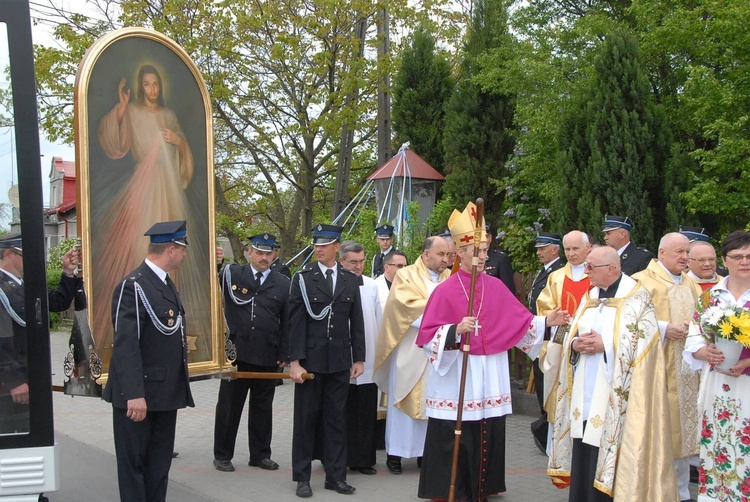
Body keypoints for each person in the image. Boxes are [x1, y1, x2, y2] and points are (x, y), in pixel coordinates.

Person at [415, 202, 570, 502]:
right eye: (478, 252)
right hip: (458, 371)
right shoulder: (444, 291)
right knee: (454, 431)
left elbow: (520, 324)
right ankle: (451, 489)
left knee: (487, 429)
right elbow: (426, 337)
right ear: (460, 253)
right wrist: (454, 331)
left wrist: (545, 322)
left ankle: (483, 486)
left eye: (486, 251)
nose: (484, 257)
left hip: (491, 372)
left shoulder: (496, 286)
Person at [94, 64, 210, 364]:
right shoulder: (131, 111)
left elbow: (184, 152)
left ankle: (170, 323)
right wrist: (120, 109)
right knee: (139, 242)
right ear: (140, 86)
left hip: (168, 184)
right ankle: (138, 314)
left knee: (174, 248)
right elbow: (115, 144)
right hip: (142, 185)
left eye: (155, 83)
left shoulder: (169, 115)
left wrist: (179, 141)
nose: (152, 89)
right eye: (146, 84)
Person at [547, 246, 676, 501]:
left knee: (608, 451)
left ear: (612, 269)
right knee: (584, 450)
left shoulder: (637, 298)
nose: (586, 271)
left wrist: (605, 344)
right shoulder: (590, 296)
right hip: (585, 390)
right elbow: (574, 330)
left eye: (591, 267)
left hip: (617, 397)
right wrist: (575, 344)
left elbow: (645, 345)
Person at [103, 221, 194, 502]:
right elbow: (126, 345)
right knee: (134, 467)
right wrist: (134, 394)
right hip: (139, 396)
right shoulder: (133, 286)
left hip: (165, 394)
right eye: (182, 250)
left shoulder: (164, 283)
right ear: (171, 249)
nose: (184, 255)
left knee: (159, 465)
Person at [287, 224, 365, 498]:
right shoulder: (303, 278)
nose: (318, 249)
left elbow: (356, 321)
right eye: (316, 244)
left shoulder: (349, 278)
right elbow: (295, 323)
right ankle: (302, 477)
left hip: (340, 361)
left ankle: (335, 476)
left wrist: (359, 358)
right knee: (306, 420)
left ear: (336, 247)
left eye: (324, 244)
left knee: (336, 420)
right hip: (311, 362)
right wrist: (294, 362)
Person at [372, 235, 452, 474]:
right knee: (403, 401)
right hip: (411, 349)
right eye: (441, 254)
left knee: (433, 401)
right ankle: (396, 454)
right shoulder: (406, 275)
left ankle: (424, 454)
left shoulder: (451, 277)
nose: (445, 260)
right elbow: (404, 307)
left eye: (449, 255)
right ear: (426, 254)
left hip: (439, 352)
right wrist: (443, 312)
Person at [633, 232, 701, 502]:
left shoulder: (690, 283)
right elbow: (631, 321)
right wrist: (663, 329)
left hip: (687, 371)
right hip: (658, 370)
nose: (685, 258)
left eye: (687, 252)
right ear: (662, 253)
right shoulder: (642, 281)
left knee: (683, 433)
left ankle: (683, 492)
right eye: (679, 252)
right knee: (663, 430)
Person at [212, 234, 289, 473]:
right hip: (235, 353)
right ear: (249, 252)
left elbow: (288, 321)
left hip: (267, 353)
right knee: (229, 406)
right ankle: (222, 455)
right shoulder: (232, 274)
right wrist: (215, 262)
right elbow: (210, 283)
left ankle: (260, 454)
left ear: (274, 254)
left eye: (268, 253)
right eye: (259, 252)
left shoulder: (283, 282)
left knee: (263, 407)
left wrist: (286, 352)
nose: (264, 257)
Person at [684, 230, 750, 501]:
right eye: (737, 256)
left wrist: (746, 360)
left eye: (749, 256)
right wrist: (703, 352)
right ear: (725, 259)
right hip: (718, 384)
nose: (744, 261)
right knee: (718, 442)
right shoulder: (710, 297)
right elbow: (694, 333)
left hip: (747, 384)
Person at [0, 234, 82, 434]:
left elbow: (58, 302)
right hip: (10, 381)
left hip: (30, 373)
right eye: (25, 255)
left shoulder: (24, 284)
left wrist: (67, 272)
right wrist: (14, 380)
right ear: (9, 254)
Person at [533, 230, 592, 454]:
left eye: (576, 248)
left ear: (588, 248)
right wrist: (557, 318)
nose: (571, 253)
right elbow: (545, 305)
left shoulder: (594, 274)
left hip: (587, 338)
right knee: (557, 387)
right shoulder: (556, 277)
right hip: (561, 336)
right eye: (568, 249)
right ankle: (556, 446)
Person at [336, 241, 382, 475]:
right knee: (338, 411)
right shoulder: (334, 284)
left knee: (364, 411)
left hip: (367, 358)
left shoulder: (372, 286)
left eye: (362, 261)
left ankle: (362, 459)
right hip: (339, 356)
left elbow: (379, 320)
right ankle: (336, 458)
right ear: (341, 261)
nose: (358, 266)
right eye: (353, 262)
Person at [528, 232, 564, 315]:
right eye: (538, 249)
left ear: (554, 250)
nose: (538, 253)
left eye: (542, 249)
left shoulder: (560, 270)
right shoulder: (544, 270)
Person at [483, 224, 515, 294]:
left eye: (485, 237)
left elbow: (508, 290)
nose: (481, 240)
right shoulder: (469, 258)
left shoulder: (500, 259)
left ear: (490, 238)